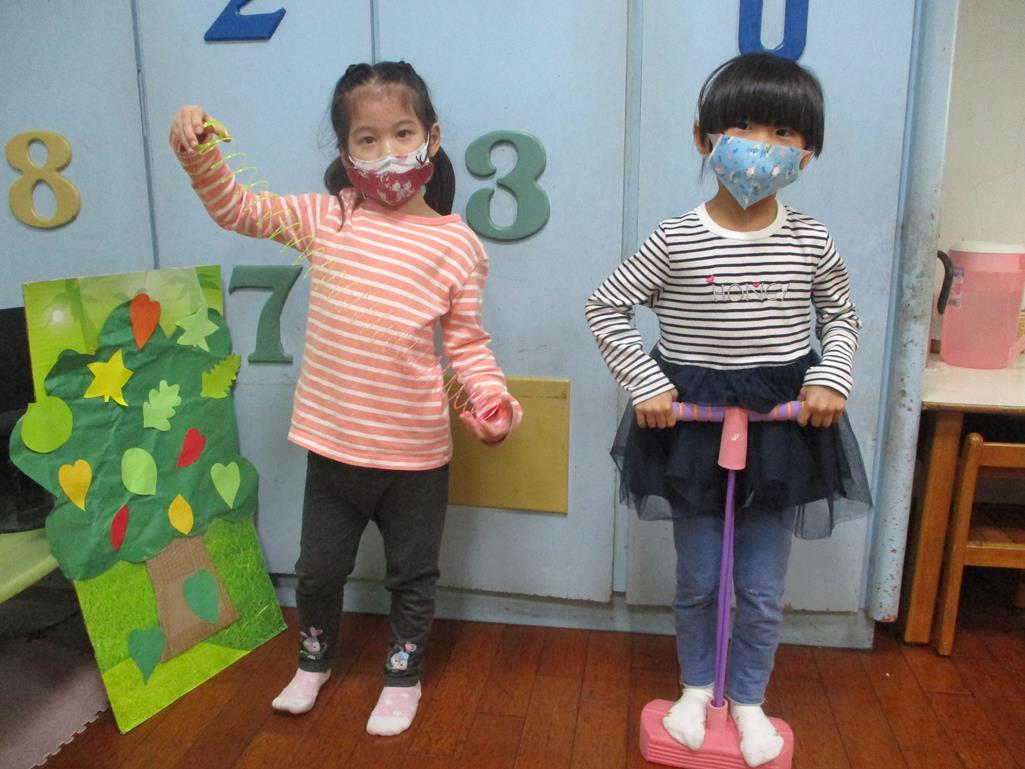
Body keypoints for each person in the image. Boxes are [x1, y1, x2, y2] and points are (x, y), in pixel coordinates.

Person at [170, 60, 521, 737]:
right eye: (367, 138)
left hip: (415, 458)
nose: (388, 152)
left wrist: (490, 400)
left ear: (432, 136)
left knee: (412, 577)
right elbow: (239, 208)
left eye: (402, 133)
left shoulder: (457, 243)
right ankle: (313, 661)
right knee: (316, 572)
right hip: (332, 449)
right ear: (345, 152)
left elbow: (468, 346)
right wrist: (198, 151)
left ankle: (402, 677)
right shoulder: (326, 217)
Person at [585, 53, 870, 767]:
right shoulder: (674, 238)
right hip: (692, 424)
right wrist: (645, 382)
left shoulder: (810, 240)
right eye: (742, 127)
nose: (761, 146)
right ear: (703, 138)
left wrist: (830, 378)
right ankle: (693, 689)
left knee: (762, 588)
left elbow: (840, 316)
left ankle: (746, 699)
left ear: (807, 153)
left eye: (783, 133)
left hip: (782, 425)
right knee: (701, 578)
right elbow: (606, 307)